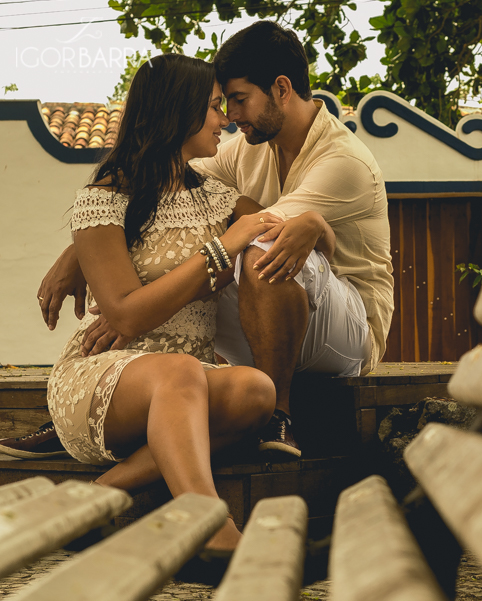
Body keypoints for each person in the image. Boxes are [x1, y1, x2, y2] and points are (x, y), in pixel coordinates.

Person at [26, 21, 394, 460]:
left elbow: (255, 231)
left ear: (281, 88)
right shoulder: (250, 145)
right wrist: (83, 248)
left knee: (256, 251)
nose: (230, 116)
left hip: (344, 329)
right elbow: (161, 197)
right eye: (222, 104)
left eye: (238, 100)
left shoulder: (344, 161)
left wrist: (131, 311)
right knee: (198, 260)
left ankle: (278, 414)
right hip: (270, 314)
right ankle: (94, 404)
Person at [41, 53, 335, 554]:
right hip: (102, 382)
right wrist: (223, 248)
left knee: (257, 391)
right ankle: (211, 525)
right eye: (213, 106)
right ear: (177, 112)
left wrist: (314, 225)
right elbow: (125, 314)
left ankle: (100, 495)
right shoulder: (102, 199)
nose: (224, 119)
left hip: (185, 382)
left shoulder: (216, 198)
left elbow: (299, 242)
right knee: (181, 370)